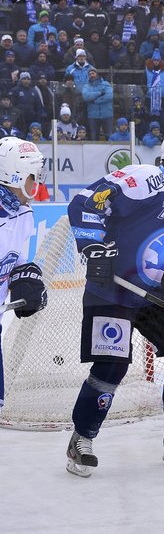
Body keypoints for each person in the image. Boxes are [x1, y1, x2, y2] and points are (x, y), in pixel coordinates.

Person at [66, 129, 164, 477]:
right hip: (111, 291)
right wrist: (92, 246)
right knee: (111, 366)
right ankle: (81, 439)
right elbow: (87, 202)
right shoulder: (141, 178)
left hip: (153, 295)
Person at [0, 137, 48, 412]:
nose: (38, 181)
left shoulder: (23, 214)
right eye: (34, 174)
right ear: (16, 176)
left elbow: (15, 260)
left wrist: (24, 278)